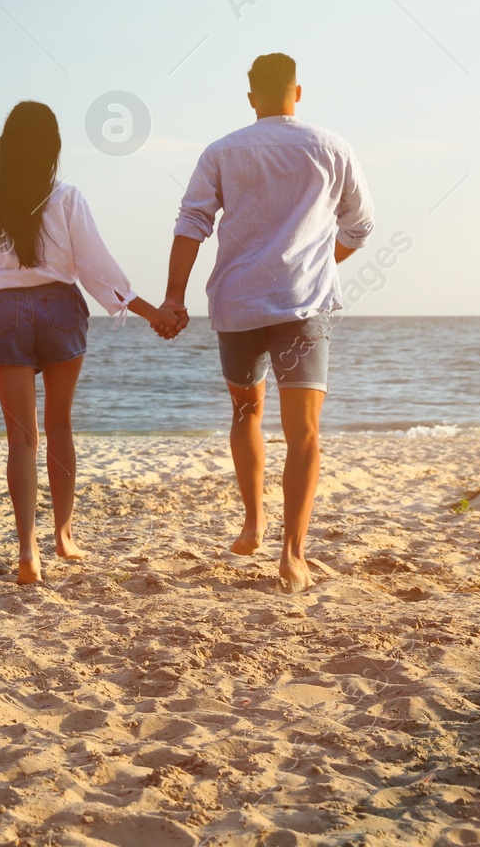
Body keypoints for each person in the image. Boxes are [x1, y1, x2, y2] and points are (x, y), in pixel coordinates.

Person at [0, 101, 180, 585]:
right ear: (53, 148)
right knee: (59, 426)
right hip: (60, 309)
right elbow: (97, 268)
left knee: (22, 438)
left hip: (5, 313)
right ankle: (63, 536)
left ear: (5, 148)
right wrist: (152, 313)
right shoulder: (66, 197)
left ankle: (27, 552)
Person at [159, 54, 374, 593]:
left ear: (251, 96)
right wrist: (324, 262)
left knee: (245, 412)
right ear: (297, 92)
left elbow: (192, 224)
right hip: (303, 306)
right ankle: (293, 555)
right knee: (304, 433)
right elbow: (361, 225)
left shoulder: (222, 150)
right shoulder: (331, 147)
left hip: (237, 305)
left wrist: (173, 297)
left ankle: (253, 524)